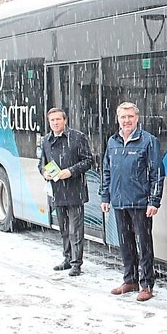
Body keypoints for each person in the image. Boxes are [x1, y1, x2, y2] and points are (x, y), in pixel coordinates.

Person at [101, 102, 164, 302]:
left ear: (137, 118)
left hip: (140, 202)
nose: (126, 120)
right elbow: (107, 171)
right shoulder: (112, 141)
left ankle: (146, 284)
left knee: (144, 244)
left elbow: (157, 173)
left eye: (130, 116)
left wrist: (154, 200)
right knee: (125, 243)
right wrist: (105, 196)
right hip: (119, 202)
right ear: (118, 119)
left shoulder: (148, 141)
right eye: (123, 117)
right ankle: (130, 280)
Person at [38, 108, 94, 277]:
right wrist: (44, 173)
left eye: (58, 119)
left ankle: (77, 263)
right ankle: (67, 258)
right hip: (56, 190)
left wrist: (70, 171)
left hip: (75, 189)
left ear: (65, 120)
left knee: (75, 229)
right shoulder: (46, 141)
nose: (55, 123)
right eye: (52, 120)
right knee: (63, 228)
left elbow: (89, 160)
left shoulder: (77, 137)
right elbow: (42, 163)